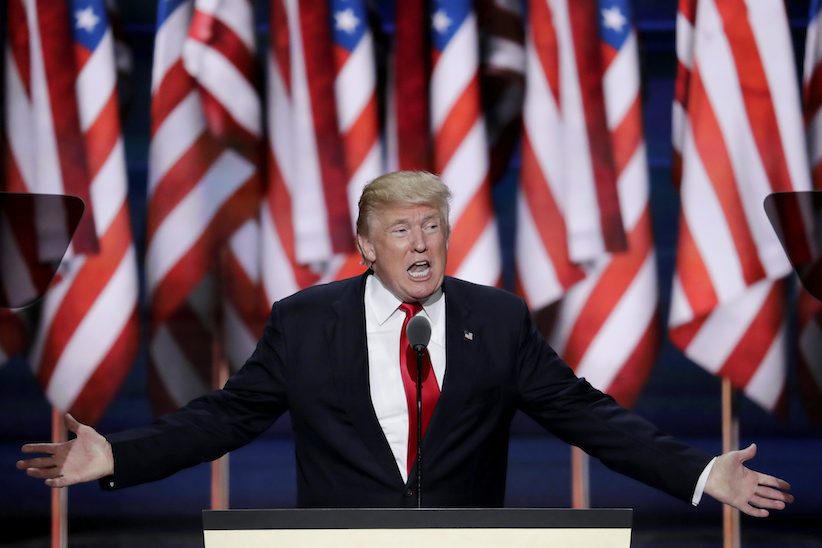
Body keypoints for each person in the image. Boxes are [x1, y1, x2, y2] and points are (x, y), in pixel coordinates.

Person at [18, 171, 792, 515]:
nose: (421, 244)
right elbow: (224, 418)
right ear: (366, 246)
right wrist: (117, 456)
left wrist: (701, 473)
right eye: (401, 230)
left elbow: (589, 417)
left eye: (432, 227)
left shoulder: (497, 321)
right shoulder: (305, 320)